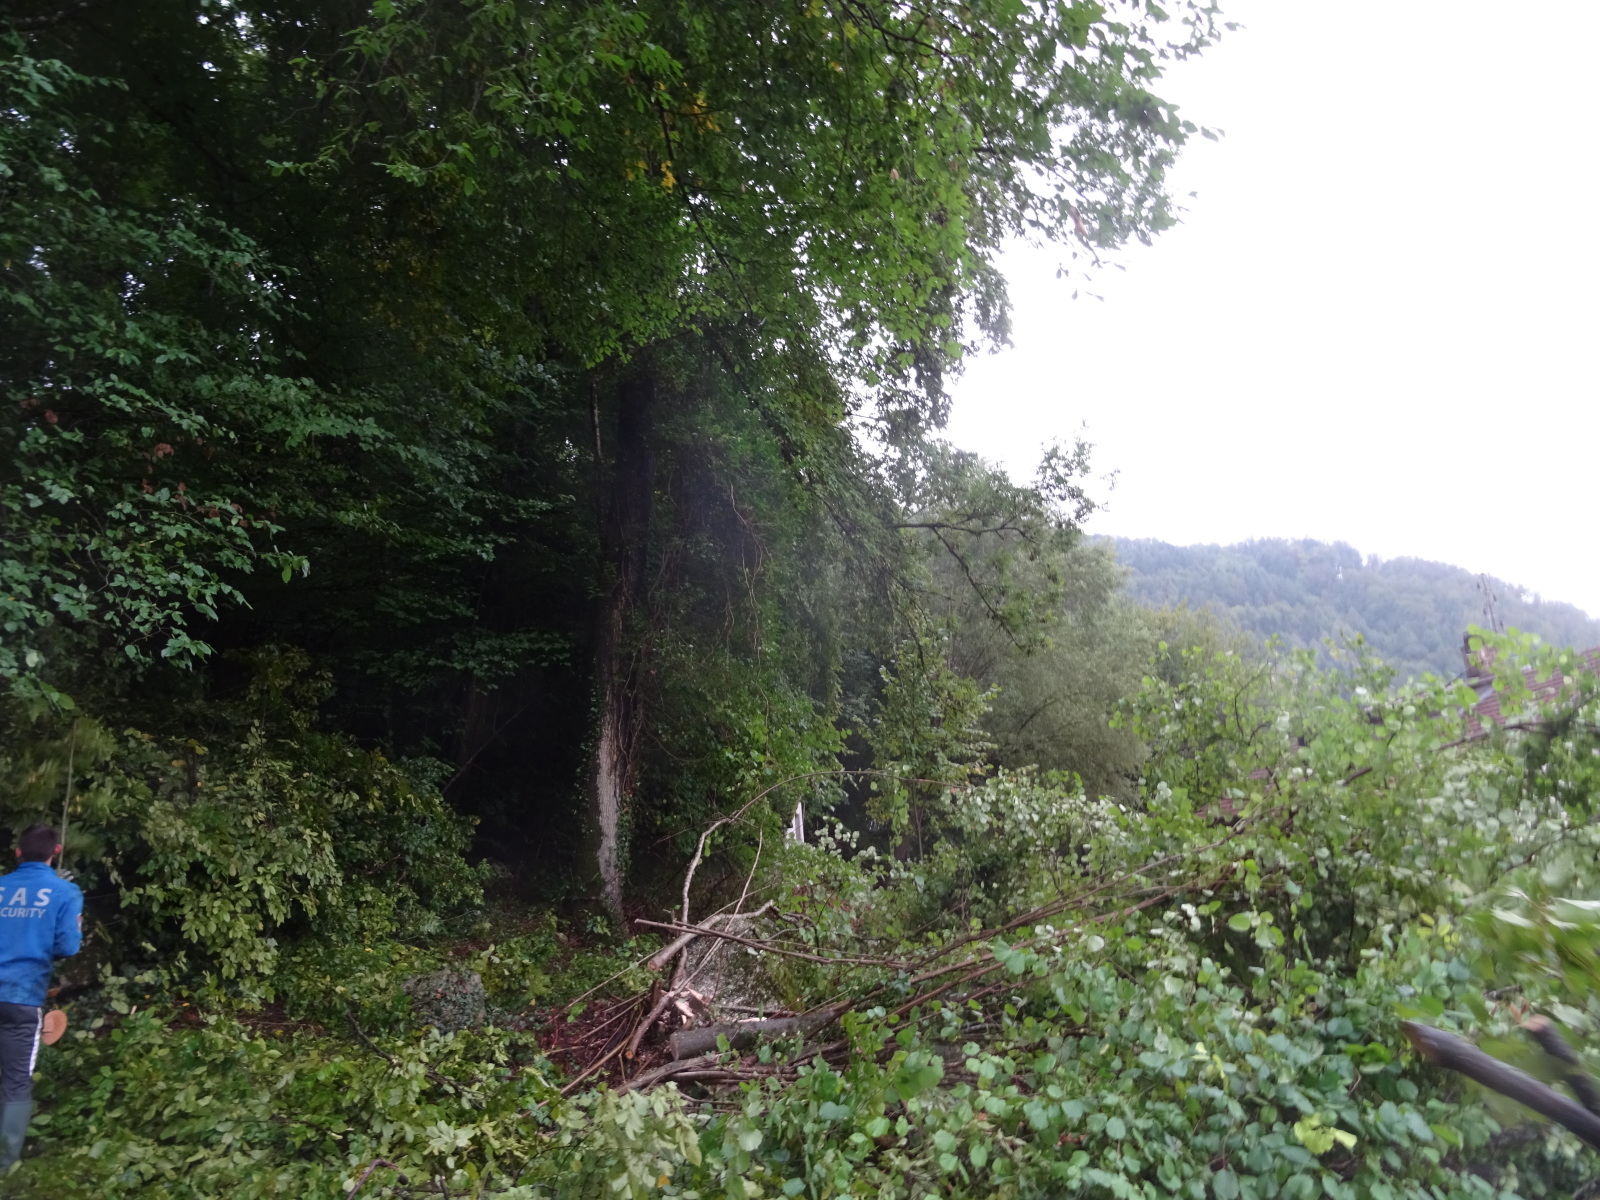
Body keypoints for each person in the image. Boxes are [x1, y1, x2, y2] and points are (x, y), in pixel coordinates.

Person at [0, 823, 82, 1172]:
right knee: (16, 1081)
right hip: (22, 998)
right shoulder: (65, 892)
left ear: (18, 852)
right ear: (56, 851)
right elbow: (68, 946)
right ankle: (4, 1164)